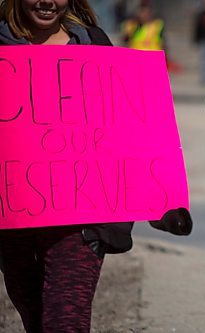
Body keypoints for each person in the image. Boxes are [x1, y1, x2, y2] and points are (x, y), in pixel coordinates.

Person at [0, 1, 134, 332]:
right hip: (12, 218)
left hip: (81, 216)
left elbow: (126, 125)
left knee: (65, 321)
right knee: (34, 317)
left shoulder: (91, 43)